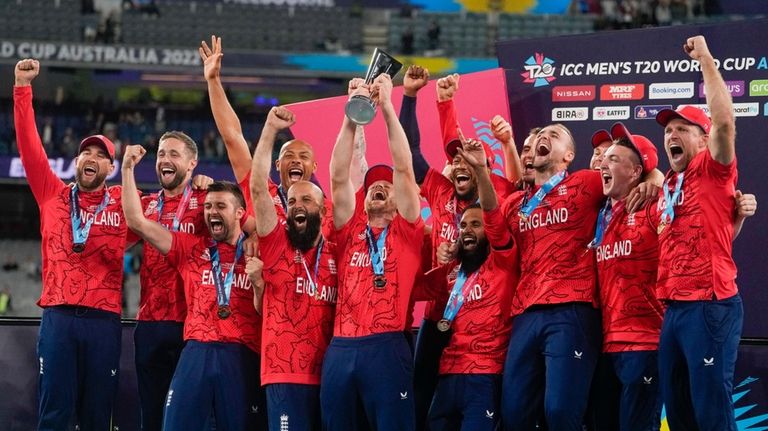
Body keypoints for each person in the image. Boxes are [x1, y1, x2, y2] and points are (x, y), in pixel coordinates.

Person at [14, 58, 131, 430]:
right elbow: (30, 145)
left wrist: (199, 184)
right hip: (59, 317)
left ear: (111, 168)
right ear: (76, 161)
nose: (92, 158)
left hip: (103, 320)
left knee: (97, 416)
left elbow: (171, 208)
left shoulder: (127, 203)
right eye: (87, 152)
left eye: (101, 155)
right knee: (54, 415)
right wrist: (22, 88)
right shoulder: (51, 193)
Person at [398, 68, 517, 428]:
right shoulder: (440, 190)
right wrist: (412, 97)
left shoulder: (497, 194)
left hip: (484, 322)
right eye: (456, 161)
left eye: (470, 160)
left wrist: (507, 144)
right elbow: (411, 150)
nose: (460, 163)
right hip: (439, 316)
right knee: (421, 400)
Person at [122, 145, 264, 430]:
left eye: (220, 206)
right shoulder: (190, 249)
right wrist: (127, 169)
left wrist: (259, 279)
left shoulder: (258, 255)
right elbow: (137, 221)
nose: (212, 212)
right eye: (208, 206)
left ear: (239, 214)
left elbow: (273, 228)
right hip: (195, 349)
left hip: (241, 351)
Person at [321, 74, 424, 430]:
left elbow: (404, 167)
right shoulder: (349, 230)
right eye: (372, 185)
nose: (378, 187)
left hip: (387, 345)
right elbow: (337, 177)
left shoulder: (408, 231)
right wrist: (352, 114)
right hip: (341, 346)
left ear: (401, 199)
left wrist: (387, 107)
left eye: (386, 185)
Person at [653, 36, 743, 431]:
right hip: (673, 308)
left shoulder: (712, 169)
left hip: (709, 303)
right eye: (668, 130)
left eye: (682, 129)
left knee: (710, 410)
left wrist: (706, 58)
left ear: (703, 139)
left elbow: (724, 121)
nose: (671, 135)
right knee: (679, 411)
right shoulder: (666, 187)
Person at [418, 136, 519, 431]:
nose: (467, 231)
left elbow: (491, 212)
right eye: (463, 226)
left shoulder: (503, 260)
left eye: (475, 225)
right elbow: (412, 291)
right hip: (448, 375)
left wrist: (482, 171)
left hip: (485, 376)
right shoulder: (452, 273)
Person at [249, 105, 337, 431]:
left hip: (332, 373)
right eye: (292, 201)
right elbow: (258, 187)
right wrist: (270, 129)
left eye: (306, 200)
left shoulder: (337, 253)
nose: (298, 205)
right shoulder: (276, 244)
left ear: (323, 209)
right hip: (284, 372)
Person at [590, 123, 664, 431]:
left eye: (613, 159)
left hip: (645, 343)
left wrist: (657, 180)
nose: (602, 163)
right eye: (602, 158)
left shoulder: (655, 206)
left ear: (636, 173)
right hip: (605, 346)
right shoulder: (597, 213)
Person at [132, 131, 208, 431]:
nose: (165, 159)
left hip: (190, 325)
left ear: (192, 164)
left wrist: (209, 186)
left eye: (174, 154)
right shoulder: (146, 206)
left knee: (187, 416)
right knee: (150, 416)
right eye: (162, 153)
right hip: (149, 323)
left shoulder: (207, 202)